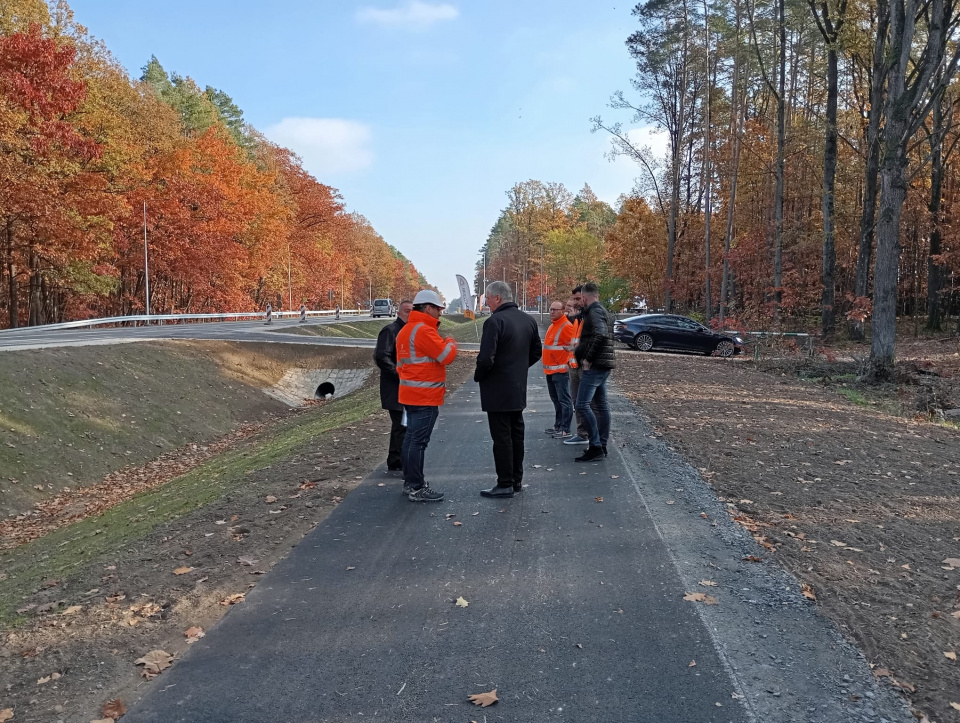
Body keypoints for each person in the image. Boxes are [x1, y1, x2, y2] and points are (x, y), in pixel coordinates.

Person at [475, 281, 542, 498]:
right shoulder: (528, 320)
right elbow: (536, 352)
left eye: (487, 298)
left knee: (502, 437)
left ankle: (504, 483)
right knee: (517, 434)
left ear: (497, 298)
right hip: (517, 387)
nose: (486, 302)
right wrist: (519, 368)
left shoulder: (495, 321)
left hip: (497, 389)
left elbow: (486, 357)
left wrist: (481, 376)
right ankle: (516, 480)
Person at [397, 290, 458, 502]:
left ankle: (410, 483)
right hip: (425, 396)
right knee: (418, 443)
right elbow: (446, 356)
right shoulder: (423, 331)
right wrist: (450, 341)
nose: (440, 313)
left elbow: (400, 367)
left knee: (410, 440)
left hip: (410, 394)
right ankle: (417, 487)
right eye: (439, 309)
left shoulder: (405, 331)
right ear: (428, 308)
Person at [573, 282, 616, 462]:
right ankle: (601, 445)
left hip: (596, 365)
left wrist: (587, 358)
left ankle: (596, 446)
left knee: (582, 405)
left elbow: (600, 334)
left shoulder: (595, 311)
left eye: (580, 298)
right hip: (603, 364)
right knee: (601, 405)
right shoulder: (599, 310)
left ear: (585, 297)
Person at [374, 299, 414, 473]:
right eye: (406, 311)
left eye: (413, 311)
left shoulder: (410, 331)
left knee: (403, 425)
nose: (410, 314)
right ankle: (397, 461)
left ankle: (397, 459)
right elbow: (381, 357)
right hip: (395, 387)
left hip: (407, 387)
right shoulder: (391, 331)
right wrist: (400, 374)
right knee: (401, 425)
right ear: (398, 312)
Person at [562, 287, 591, 446]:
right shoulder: (577, 317)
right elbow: (574, 340)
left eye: (577, 299)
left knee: (587, 403)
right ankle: (582, 433)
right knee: (577, 401)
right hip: (574, 364)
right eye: (574, 299)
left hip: (585, 365)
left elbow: (594, 340)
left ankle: (591, 435)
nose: (574, 302)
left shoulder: (590, 315)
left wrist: (588, 360)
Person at [542, 301, 575, 439]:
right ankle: (558, 425)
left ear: (563, 311)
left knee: (564, 400)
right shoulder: (552, 326)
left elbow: (573, 346)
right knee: (556, 400)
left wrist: (569, 364)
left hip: (560, 371)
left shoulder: (566, 326)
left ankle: (565, 429)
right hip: (550, 371)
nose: (552, 312)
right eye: (550, 309)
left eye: (555, 309)